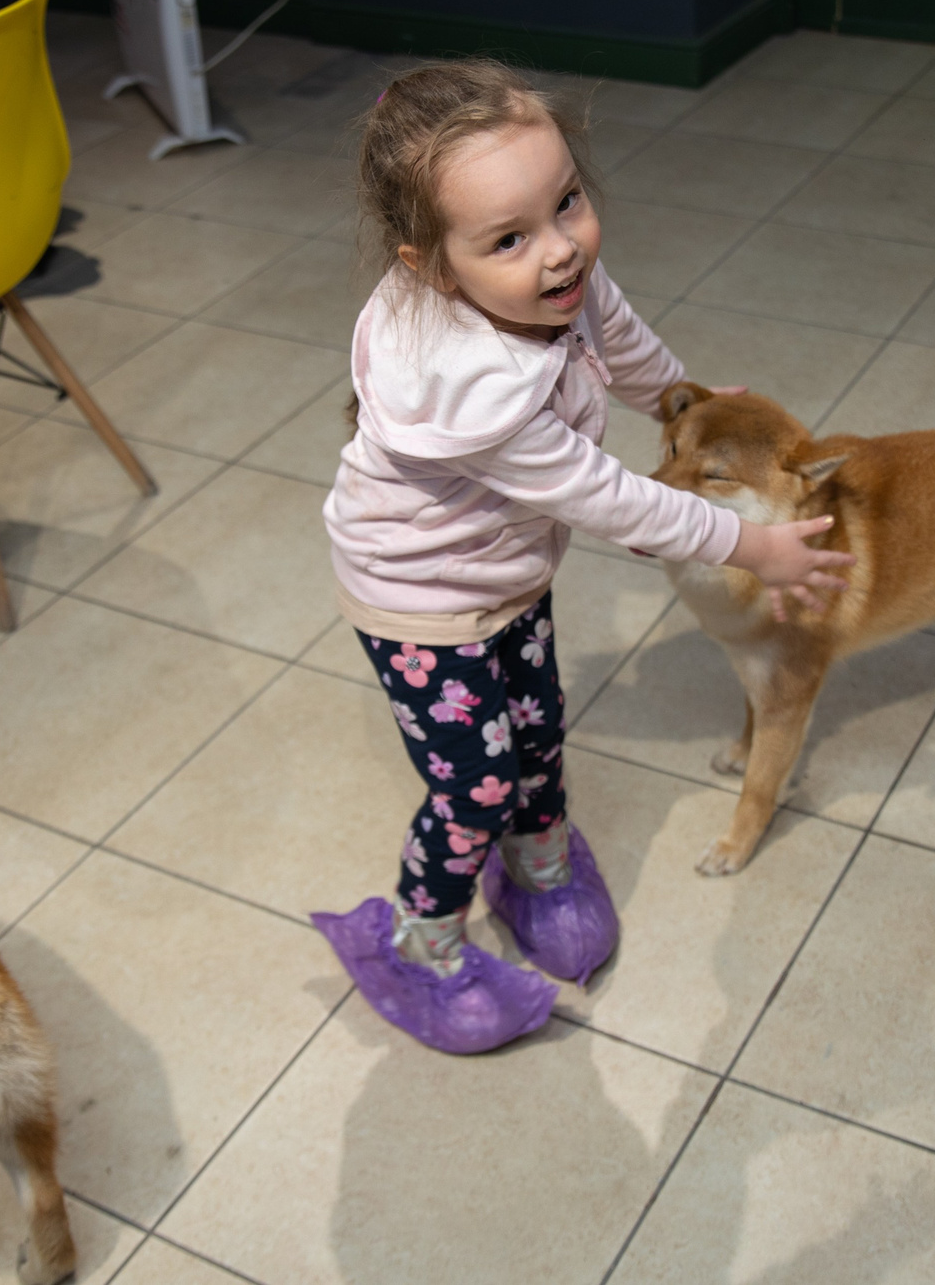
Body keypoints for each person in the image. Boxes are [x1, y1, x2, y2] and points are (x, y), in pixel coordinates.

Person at [312, 61, 854, 1054]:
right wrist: (751, 542)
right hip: (421, 601)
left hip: (505, 572)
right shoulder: (467, 383)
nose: (560, 250)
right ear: (432, 266)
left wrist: (681, 397)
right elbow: (611, 499)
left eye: (566, 203)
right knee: (472, 778)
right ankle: (419, 939)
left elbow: (622, 334)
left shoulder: (554, 278)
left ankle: (539, 857)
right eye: (511, 238)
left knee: (536, 720)